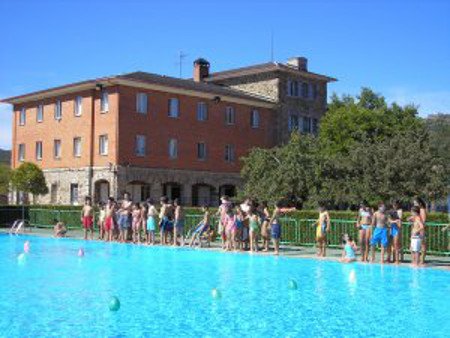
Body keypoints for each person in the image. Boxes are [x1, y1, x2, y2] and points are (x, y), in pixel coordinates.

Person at [413, 197, 427, 265]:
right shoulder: (418, 210)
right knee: (419, 246)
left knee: (423, 245)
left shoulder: (422, 209)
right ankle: (418, 260)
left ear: (420, 203)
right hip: (418, 229)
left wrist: (419, 230)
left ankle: (422, 261)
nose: (414, 204)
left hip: (421, 230)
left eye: (415, 203)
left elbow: (423, 221)